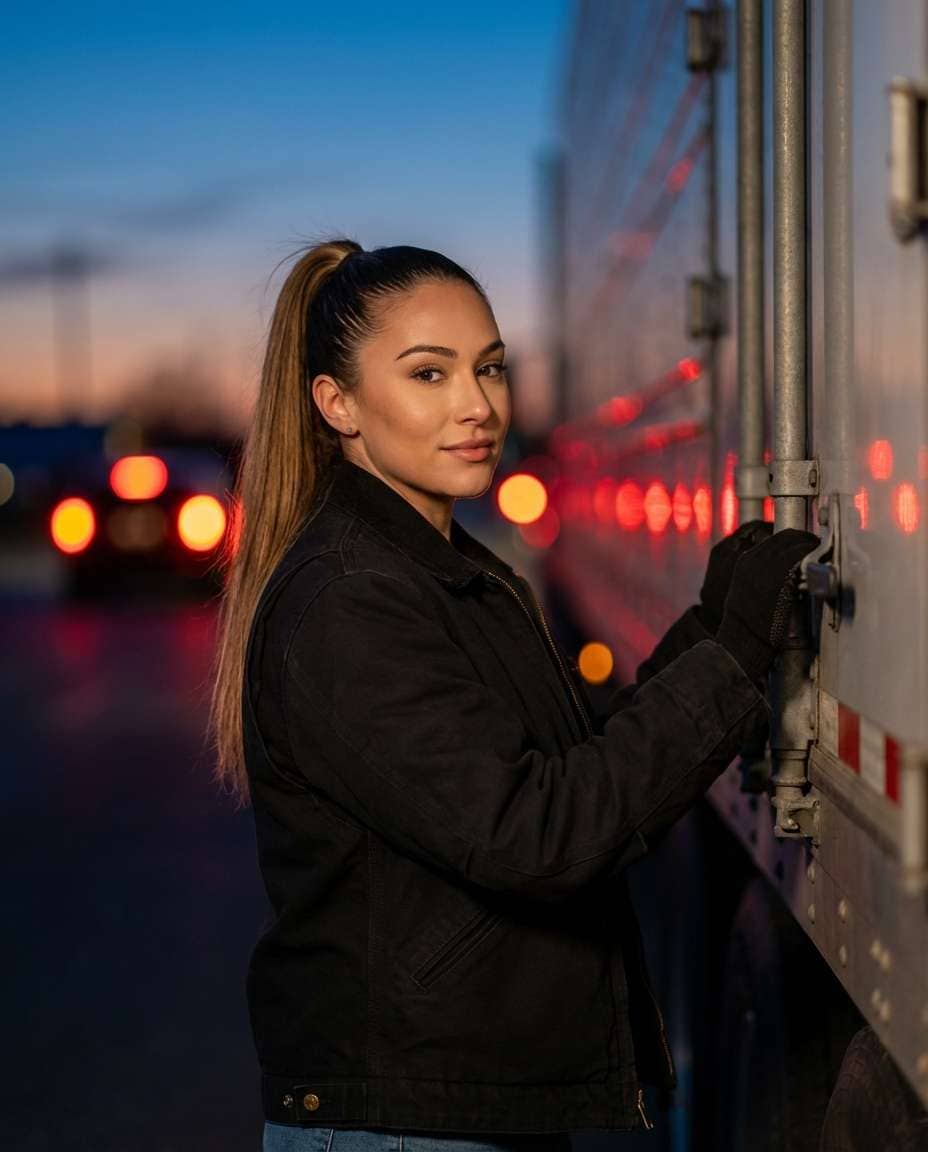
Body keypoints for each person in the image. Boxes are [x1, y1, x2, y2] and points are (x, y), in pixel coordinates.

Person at [207, 238, 819, 1152]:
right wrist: (729, 663)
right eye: (429, 374)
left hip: (451, 1105)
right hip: (403, 1126)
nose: (478, 405)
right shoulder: (349, 602)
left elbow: (564, 762)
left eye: (490, 368)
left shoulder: (439, 572)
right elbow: (536, 835)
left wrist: (709, 631)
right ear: (337, 405)